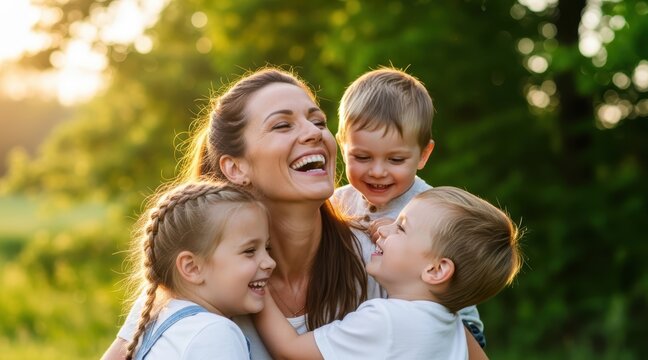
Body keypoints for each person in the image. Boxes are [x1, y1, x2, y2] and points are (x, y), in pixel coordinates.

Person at [101, 67, 488, 360]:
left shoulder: (381, 261)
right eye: (283, 125)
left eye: (318, 121)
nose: (313, 132)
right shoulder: (198, 276)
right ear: (236, 167)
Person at [254, 186, 523, 359]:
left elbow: (290, 350)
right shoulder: (449, 325)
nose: (383, 230)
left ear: (436, 269)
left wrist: (258, 283)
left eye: (401, 228)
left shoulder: (388, 320)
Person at [331, 66, 484, 342]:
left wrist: (405, 233)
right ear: (343, 147)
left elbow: (460, 277)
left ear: (423, 154)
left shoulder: (430, 209)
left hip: (440, 330)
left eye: (396, 160)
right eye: (362, 157)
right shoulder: (337, 202)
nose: (377, 171)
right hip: (367, 332)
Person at [122, 181, 275, 359]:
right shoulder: (215, 334)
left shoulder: (157, 324)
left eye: (268, 248)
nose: (270, 262)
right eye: (249, 251)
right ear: (192, 268)